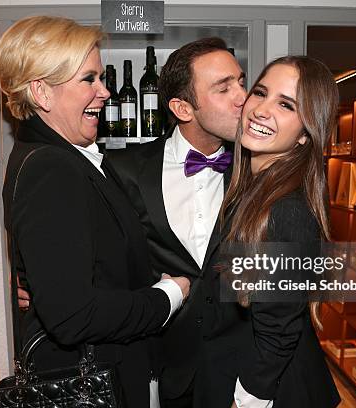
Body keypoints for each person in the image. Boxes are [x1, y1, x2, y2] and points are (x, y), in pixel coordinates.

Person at [0, 16, 190, 408]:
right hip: (95, 383)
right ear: (42, 92)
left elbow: (93, 268)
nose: (104, 92)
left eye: (101, 78)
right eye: (89, 79)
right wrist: (168, 295)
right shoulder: (50, 168)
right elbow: (73, 316)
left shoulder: (64, 157)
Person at [107, 37, 247, 407]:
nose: (243, 97)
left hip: (240, 374)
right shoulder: (124, 170)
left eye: (241, 82)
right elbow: (107, 260)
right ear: (182, 107)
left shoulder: (258, 172)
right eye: (224, 87)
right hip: (162, 366)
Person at [210, 55, 342, 407]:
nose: (261, 110)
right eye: (260, 93)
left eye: (285, 105)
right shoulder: (250, 189)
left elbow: (277, 333)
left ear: (305, 134)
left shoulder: (287, 210)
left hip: (277, 389)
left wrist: (246, 400)